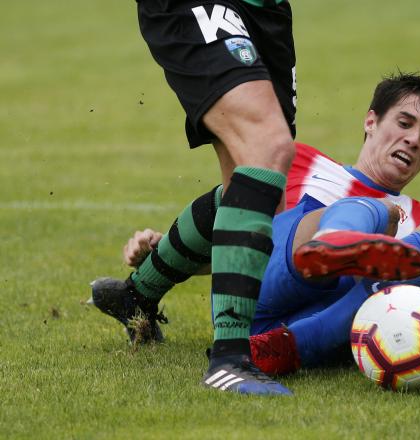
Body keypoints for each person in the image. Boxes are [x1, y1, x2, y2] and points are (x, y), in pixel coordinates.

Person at [96, 73, 420, 379]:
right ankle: (338, 241)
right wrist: (166, 254)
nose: (413, 140)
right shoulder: (298, 161)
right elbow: (245, 238)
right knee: (371, 210)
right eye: (404, 122)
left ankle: (288, 346)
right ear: (371, 121)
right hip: (266, 297)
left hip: (299, 336)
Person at [96, 0, 302, 395]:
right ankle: (229, 359)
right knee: (268, 146)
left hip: (266, 10)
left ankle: (137, 295)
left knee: (262, 197)